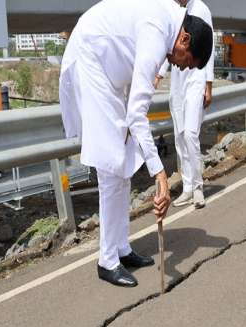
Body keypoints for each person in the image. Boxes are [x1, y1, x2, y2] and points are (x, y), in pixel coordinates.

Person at [59, 0, 213, 287]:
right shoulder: (158, 34)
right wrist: (161, 175)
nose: (180, 67)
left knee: (124, 161)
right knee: (110, 165)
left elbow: (135, 106)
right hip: (91, 59)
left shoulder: (168, 25)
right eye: (186, 61)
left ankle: (121, 248)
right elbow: (137, 115)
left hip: (112, 71)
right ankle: (107, 260)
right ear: (185, 39)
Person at [155, 0, 215, 209]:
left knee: (190, 133)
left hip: (196, 77)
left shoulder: (201, 9)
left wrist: (209, 84)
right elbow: (167, 42)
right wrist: (159, 74)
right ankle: (187, 188)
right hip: (178, 80)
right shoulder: (172, 10)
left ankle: (198, 187)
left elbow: (209, 47)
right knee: (179, 136)